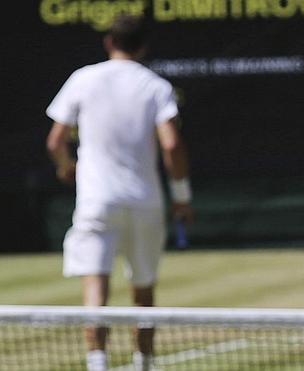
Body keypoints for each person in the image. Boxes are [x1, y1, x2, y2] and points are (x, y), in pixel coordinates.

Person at [45, 14, 193, 371]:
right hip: (145, 202)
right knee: (143, 292)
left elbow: (55, 142)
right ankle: (144, 364)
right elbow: (172, 145)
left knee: (96, 289)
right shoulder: (156, 86)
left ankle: (98, 365)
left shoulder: (83, 79)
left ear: (109, 42)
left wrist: (66, 167)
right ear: (143, 47)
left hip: (97, 202)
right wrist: (182, 195)